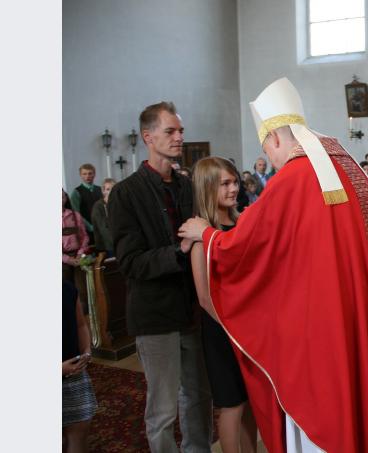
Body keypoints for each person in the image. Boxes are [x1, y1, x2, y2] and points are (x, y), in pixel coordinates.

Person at [178, 77, 368, 453]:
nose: (270, 159)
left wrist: (206, 234)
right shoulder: (349, 169)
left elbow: (244, 246)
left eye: (266, 149)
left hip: (320, 329)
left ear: (274, 138)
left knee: (325, 414)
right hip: (362, 314)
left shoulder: (293, 178)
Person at [109, 101, 213, 453]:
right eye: (171, 131)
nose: (179, 137)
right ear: (148, 137)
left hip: (191, 310)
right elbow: (130, 262)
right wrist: (178, 251)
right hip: (155, 315)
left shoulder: (187, 187)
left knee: (199, 397)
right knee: (164, 408)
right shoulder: (126, 193)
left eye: (181, 130)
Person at [189, 157, 258, 453]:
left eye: (235, 182)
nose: (233, 189)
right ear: (207, 188)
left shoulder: (243, 222)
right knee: (232, 404)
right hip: (222, 330)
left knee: (251, 401)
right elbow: (204, 297)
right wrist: (233, 328)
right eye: (225, 184)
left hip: (250, 327)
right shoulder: (200, 235)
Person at [62, 280, 97, 453]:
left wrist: (86, 350)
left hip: (74, 374)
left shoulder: (67, 288)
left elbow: (80, 325)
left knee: (79, 430)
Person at [63, 189, 90, 287]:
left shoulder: (75, 215)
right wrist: (68, 259)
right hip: (63, 261)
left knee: (83, 289)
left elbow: (84, 237)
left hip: (79, 258)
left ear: (65, 198)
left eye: (62, 197)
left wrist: (80, 254)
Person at [70, 163, 103, 244]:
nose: (87, 176)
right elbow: (76, 213)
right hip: (86, 229)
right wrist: (90, 227)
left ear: (94, 174)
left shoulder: (100, 190)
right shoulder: (76, 192)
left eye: (90, 173)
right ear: (80, 175)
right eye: (84, 174)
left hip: (101, 228)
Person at [91, 178, 116, 256]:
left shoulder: (118, 204)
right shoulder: (98, 206)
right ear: (103, 191)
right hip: (107, 246)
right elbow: (103, 229)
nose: (111, 192)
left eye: (113, 189)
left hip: (120, 243)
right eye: (108, 189)